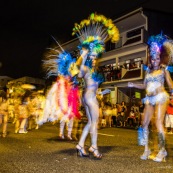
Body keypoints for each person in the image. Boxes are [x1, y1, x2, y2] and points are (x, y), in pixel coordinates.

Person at [72, 13, 119, 159]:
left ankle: (80, 145)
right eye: (91, 57)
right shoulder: (85, 69)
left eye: (94, 57)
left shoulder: (94, 71)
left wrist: (102, 92)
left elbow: (94, 86)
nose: (93, 59)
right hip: (89, 97)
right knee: (95, 121)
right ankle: (94, 147)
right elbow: (79, 74)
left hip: (91, 96)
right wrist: (84, 55)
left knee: (91, 122)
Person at [128, 33, 173, 162]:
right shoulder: (148, 72)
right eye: (153, 58)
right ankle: (146, 149)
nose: (154, 61)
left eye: (157, 58)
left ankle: (162, 151)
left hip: (161, 97)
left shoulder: (164, 70)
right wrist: (133, 84)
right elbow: (144, 86)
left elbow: (170, 84)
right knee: (144, 123)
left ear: (161, 58)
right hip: (149, 98)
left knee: (158, 122)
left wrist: (172, 90)